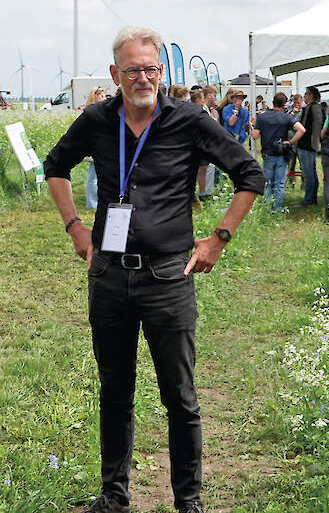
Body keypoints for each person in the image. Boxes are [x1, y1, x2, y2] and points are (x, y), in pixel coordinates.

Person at [43, 26, 264, 513]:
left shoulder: (187, 119)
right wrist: (75, 227)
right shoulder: (98, 119)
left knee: (180, 398)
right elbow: (54, 165)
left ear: (161, 72)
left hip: (169, 276)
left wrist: (219, 238)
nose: (142, 78)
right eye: (132, 70)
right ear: (114, 73)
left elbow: (250, 173)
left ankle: (189, 500)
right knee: (115, 391)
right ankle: (114, 496)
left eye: (151, 69)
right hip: (109, 276)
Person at [252, 92, 305, 212]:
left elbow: (255, 135)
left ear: (273, 102)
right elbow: (302, 129)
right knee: (279, 184)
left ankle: (267, 207)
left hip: (267, 153)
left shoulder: (262, 117)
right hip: (282, 153)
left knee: (268, 183)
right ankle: (277, 208)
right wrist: (290, 142)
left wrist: (254, 127)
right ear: (284, 104)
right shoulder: (286, 117)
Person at [295, 87, 323, 206]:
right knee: (312, 172)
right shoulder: (318, 108)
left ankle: (308, 200)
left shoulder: (310, 109)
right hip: (312, 145)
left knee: (308, 174)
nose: (304, 96)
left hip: (307, 145)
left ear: (311, 95)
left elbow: (304, 127)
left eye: (306, 94)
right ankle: (312, 198)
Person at [83, 86, 107, 211]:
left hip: (103, 145)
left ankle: (98, 201)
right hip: (94, 146)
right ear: (94, 96)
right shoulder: (91, 110)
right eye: (100, 94)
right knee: (93, 177)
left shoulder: (104, 109)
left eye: (103, 94)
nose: (103, 96)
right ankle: (92, 204)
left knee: (99, 176)